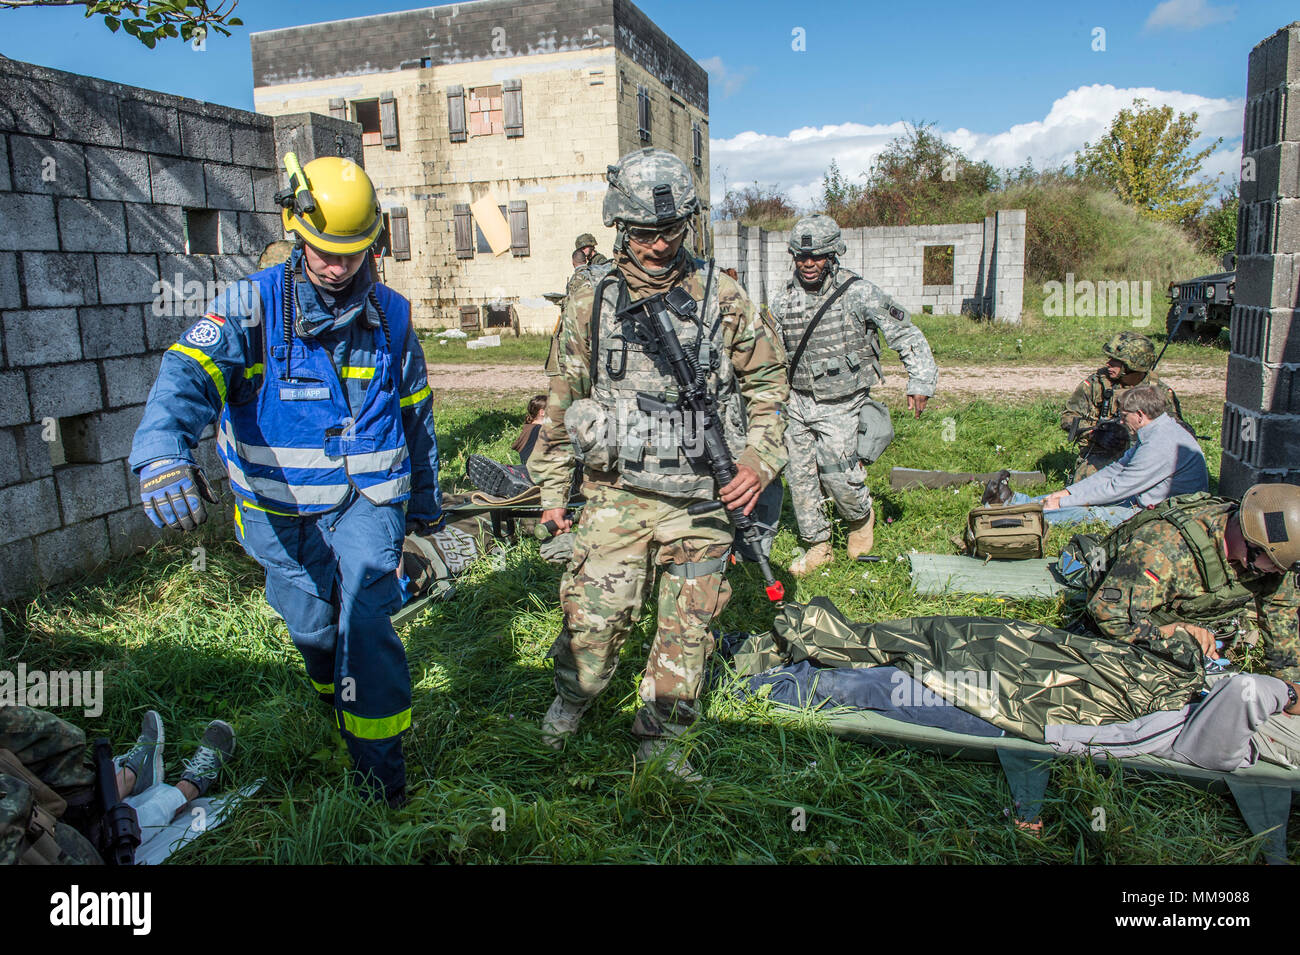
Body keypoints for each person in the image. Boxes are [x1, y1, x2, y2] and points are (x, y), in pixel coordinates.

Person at [129, 154, 442, 808]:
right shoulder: (252, 308)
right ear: (296, 231)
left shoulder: (393, 317)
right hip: (281, 516)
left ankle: (381, 790)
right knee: (317, 632)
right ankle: (336, 699)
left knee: (368, 619)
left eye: (353, 253)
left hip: (368, 502)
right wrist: (161, 450)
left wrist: (427, 506)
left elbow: (417, 417)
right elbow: (186, 376)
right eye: (324, 250)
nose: (337, 266)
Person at [530, 147, 789, 777]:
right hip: (616, 492)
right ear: (622, 225)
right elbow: (561, 397)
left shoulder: (723, 298)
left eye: (669, 231)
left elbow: (771, 387)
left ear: (690, 224)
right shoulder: (591, 300)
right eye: (644, 232)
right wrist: (552, 492)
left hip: (704, 496)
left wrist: (758, 459)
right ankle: (574, 698)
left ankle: (664, 737)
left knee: (687, 627)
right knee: (593, 624)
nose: (656, 245)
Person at [768, 214, 938, 575]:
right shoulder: (782, 301)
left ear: (833, 256)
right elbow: (766, 350)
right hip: (796, 400)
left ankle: (860, 518)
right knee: (799, 475)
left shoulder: (858, 293)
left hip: (843, 401)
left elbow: (905, 333)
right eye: (801, 257)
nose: (809, 264)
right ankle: (818, 544)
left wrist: (920, 380)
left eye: (817, 256)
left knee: (838, 472)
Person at [1086, 483, 1300, 681]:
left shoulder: (1275, 556)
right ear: (1253, 544)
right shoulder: (1163, 548)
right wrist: (1175, 633)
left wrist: (1289, 682)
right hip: (1142, 626)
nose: (1280, 571)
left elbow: (1281, 612)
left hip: (1205, 630)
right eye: (1276, 564)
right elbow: (1110, 615)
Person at [997, 384, 1207, 526]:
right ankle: (1016, 501)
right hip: (1144, 500)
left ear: (1140, 415)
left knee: (1089, 514)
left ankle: (1014, 516)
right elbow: (1115, 470)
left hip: (1164, 516)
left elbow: (1117, 488)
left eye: (1125, 417)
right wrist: (1066, 493)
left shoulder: (1161, 444)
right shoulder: (1157, 431)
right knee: (1072, 502)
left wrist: (1064, 504)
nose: (1122, 422)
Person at [1060, 332, 1185, 481]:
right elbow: (1068, 417)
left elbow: (1176, 431)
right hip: (1103, 452)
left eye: (1115, 361)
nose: (1108, 364)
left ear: (1132, 365)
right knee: (1086, 485)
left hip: (1146, 454)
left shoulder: (1159, 392)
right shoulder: (1097, 384)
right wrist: (1095, 433)